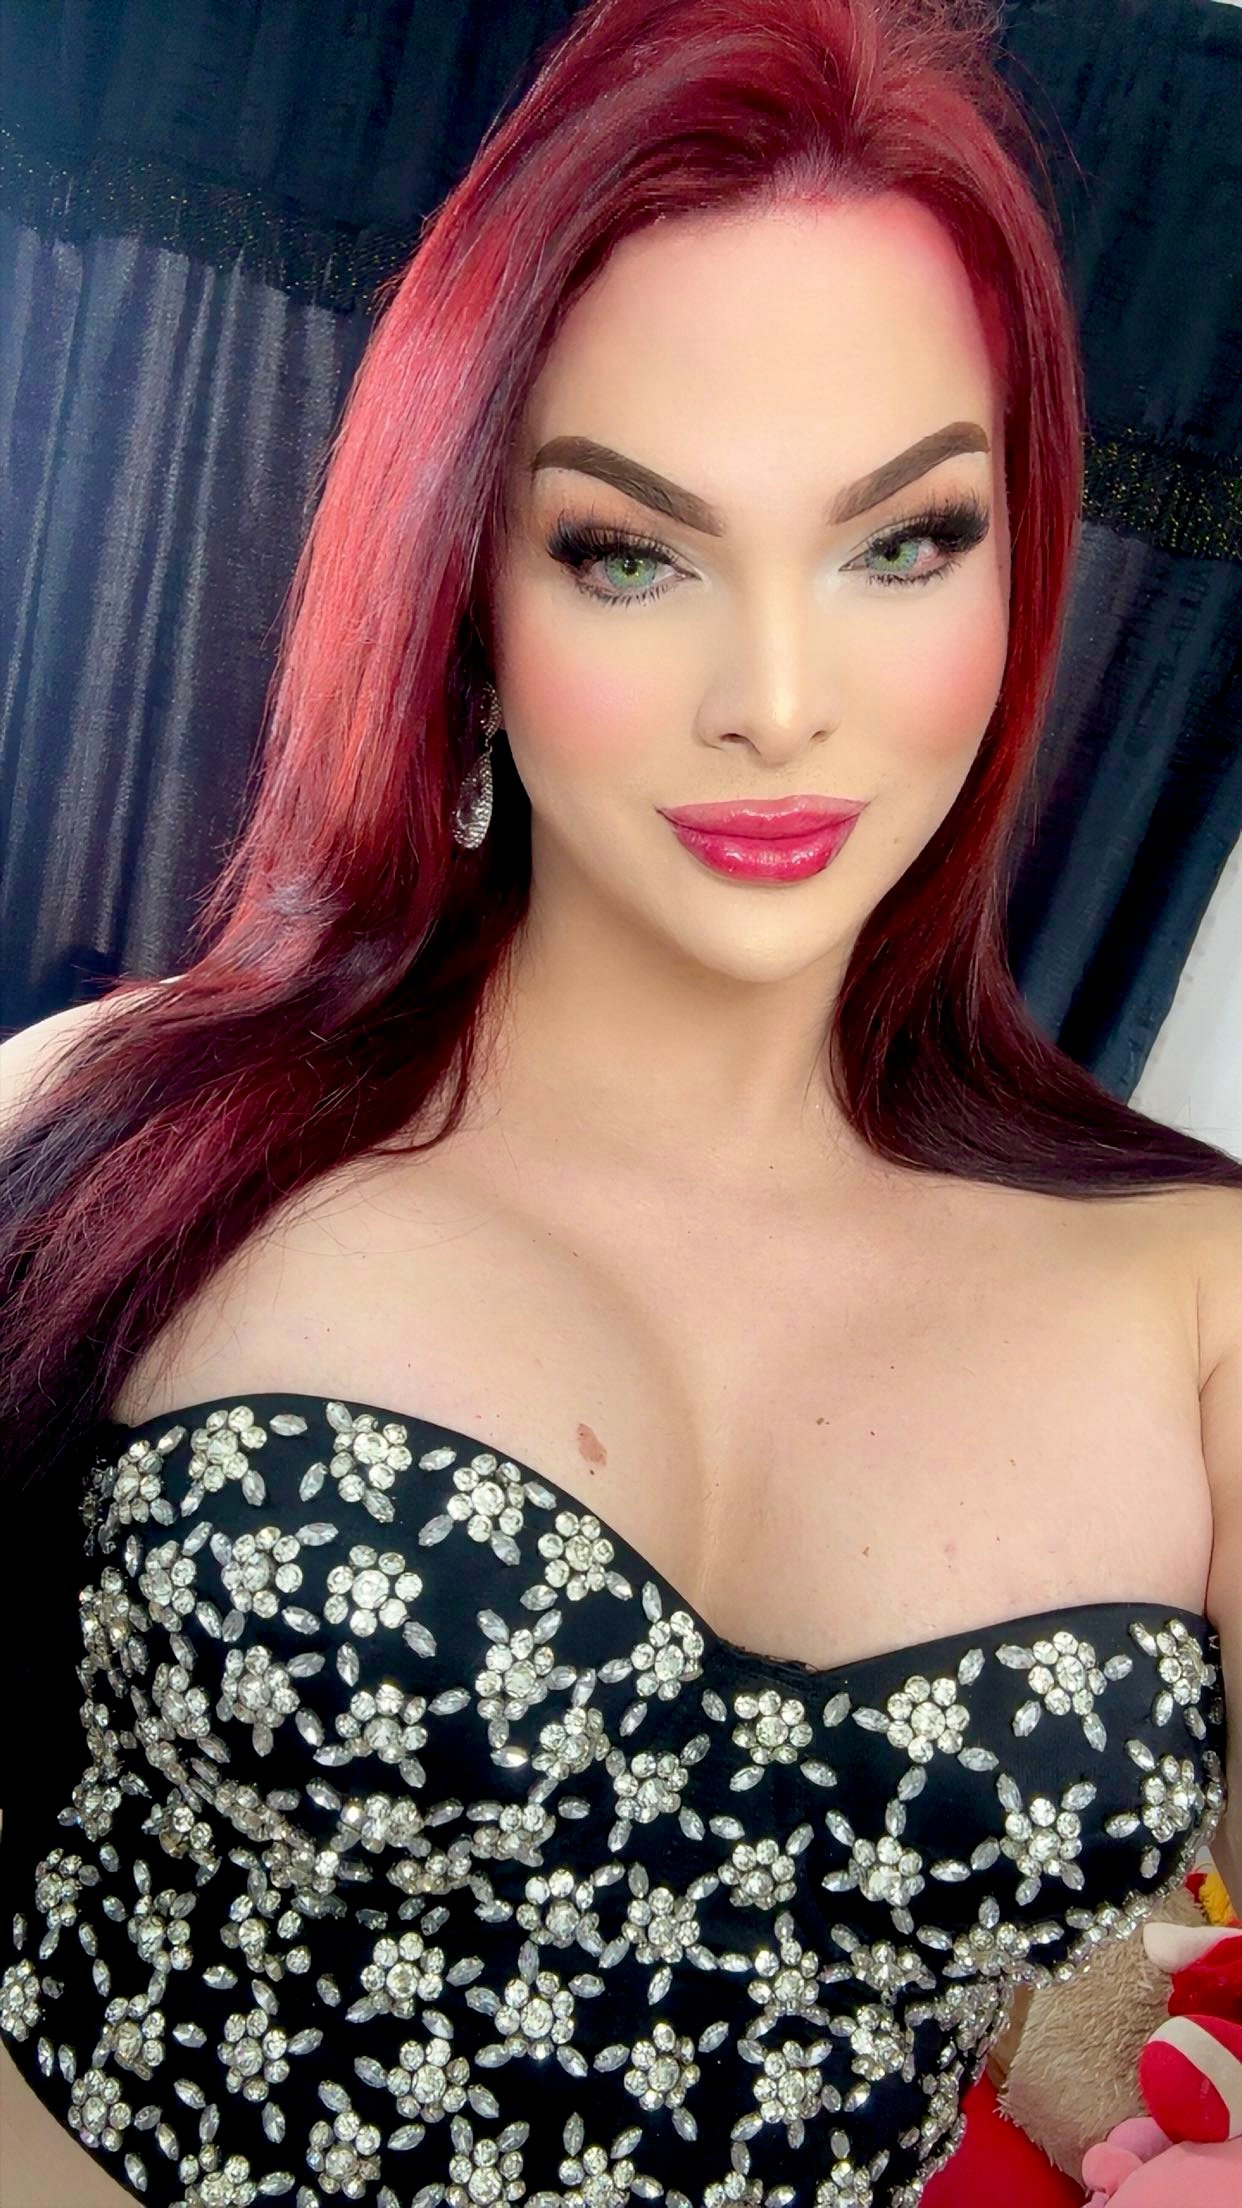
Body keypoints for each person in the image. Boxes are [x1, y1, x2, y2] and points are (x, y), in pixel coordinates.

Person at [1, 2, 1239, 2203]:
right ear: (469, 594)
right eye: (627, 551)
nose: (777, 698)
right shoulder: (123, 1123)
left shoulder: (1199, 1295)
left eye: (902, 541)